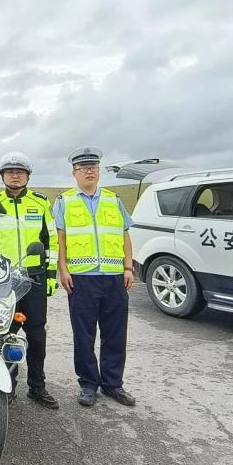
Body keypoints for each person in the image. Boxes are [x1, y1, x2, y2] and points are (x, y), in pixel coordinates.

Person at [0, 152, 60, 409]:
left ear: (28, 176)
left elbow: (52, 241)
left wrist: (50, 275)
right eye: (10, 171)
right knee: (2, 333)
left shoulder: (41, 203)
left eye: (20, 172)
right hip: (3, 280)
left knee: (36, 334)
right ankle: (6, 385)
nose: (15, 175)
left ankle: (37, 386)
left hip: (33, 279)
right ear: (3, 176)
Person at [54, 147, 136, 407]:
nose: (89, 171)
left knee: (115, 333)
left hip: (114, 277)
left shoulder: (113, 200)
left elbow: (124, 234)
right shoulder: (64, 202)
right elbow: (61, 240)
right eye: (83, 167)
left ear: (99, 171)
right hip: (81, 278)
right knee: (84, 334)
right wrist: (63, 270)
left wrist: (128, 267)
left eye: (93, 166)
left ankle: (113, 384)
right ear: (74, 173)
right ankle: (89, 383)